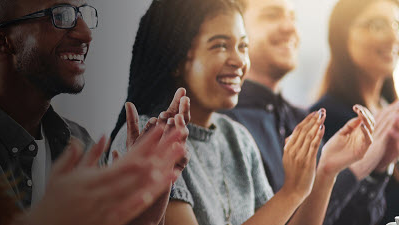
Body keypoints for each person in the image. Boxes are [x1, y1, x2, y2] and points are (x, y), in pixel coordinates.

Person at [110, 0, 374, 224]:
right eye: (221, 45)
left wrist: (326, 170)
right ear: (177, 60)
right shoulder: (144, 139)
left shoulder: (238, 138)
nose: (239, 61)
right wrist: (291, 191)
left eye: (243, 46)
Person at [0, 0, 189, 224]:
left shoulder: (79, 144)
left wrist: (143, 204)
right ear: (4, 40)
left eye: (82, 14)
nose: (86, 34)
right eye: (60, 15)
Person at [222, 0, 395, 224]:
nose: (290, 28)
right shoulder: (224, 124)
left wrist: (377, 169)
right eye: (271, 15)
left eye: (293, 18)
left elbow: (338, 219)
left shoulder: (302, 118)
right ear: (234, 28)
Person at [311, 0, 399, 224]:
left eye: (397, 24)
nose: (393, 37)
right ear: (343, 35)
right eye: (378, 25)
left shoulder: (390, 112)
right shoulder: (326, 119)